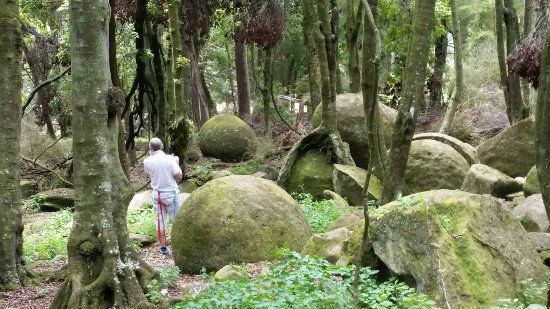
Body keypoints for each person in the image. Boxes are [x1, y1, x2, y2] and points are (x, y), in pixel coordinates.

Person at [143, 138, 183, 255]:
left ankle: (163, 247)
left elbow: (149, 171)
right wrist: (176, 163)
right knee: (176, 220)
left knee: (160, 221)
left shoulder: (147, 161)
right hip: (171, 193)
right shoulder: (170, 159)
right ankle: (178, 244)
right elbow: (179, 176)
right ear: (161, 146)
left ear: (150, 148)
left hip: (157, 194)